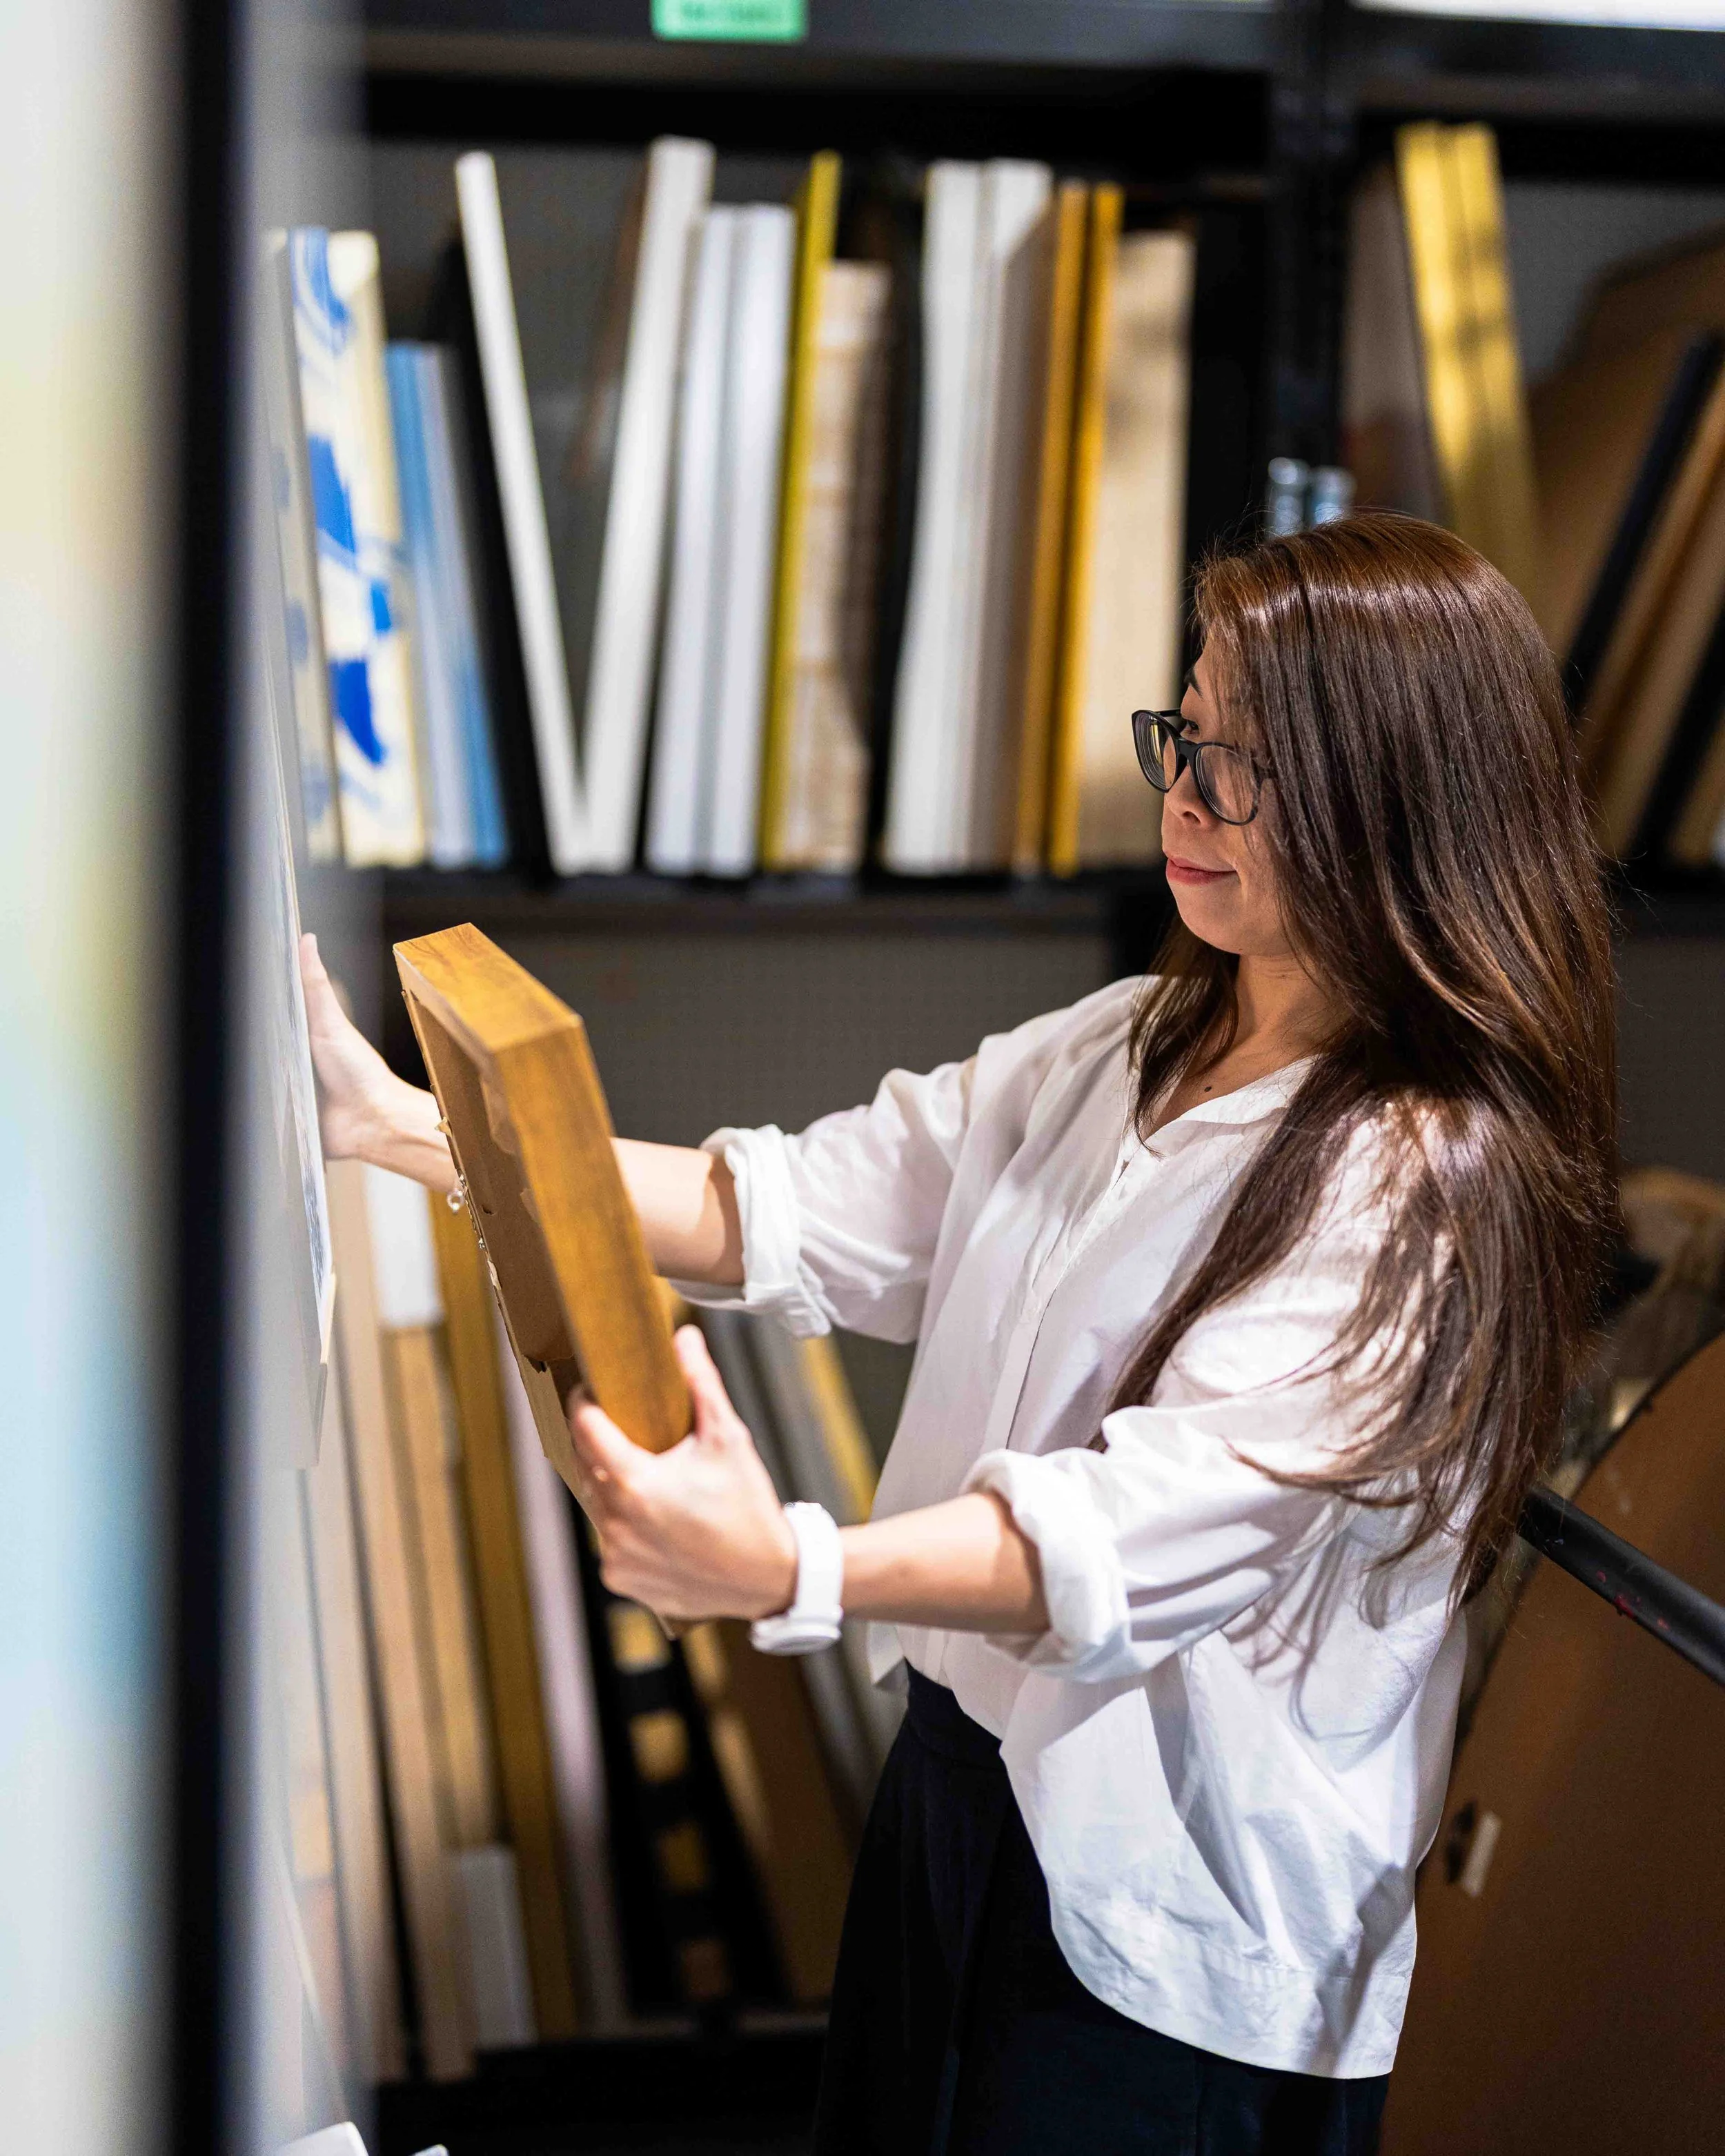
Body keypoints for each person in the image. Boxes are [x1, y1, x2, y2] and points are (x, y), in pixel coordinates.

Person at [303, 513, 1617, 2155]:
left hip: (1173, 1917)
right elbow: (789, 1206)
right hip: (961, 1783)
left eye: (1250, 764)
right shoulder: (1133, 1037)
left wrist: (786, 1567)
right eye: (1186, 732)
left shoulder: (1417, 1183)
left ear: (1397, 798)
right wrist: (396, 1123)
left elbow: (1122, 1533)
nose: (1186, 795)